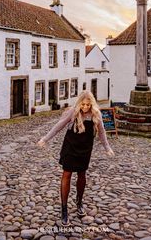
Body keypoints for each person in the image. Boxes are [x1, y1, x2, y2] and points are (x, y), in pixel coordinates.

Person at [37, 91, 114, 227]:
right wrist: (45, 139)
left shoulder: (96, 114)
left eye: (88, 105)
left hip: (85, 148)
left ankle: (79, 203)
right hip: (70, 147)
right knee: (67, 173)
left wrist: (107, 148)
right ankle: (64, 209)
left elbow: (102, 132)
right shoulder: (73, 112)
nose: (85, 107)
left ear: (92, 104)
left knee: (82, 174)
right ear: (79, 103)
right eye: (83, 104)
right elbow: (58, 126)